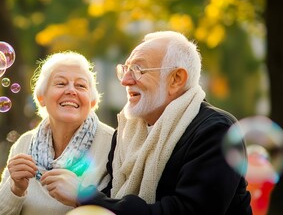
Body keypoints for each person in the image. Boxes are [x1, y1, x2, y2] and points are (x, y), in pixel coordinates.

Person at [54, 31, 253, 214]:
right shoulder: (124, 133)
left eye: (138, 69)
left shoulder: (216, 131)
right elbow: (112, 199)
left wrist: (85, 195)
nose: (125, 81)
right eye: (125, 69)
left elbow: (186, 211)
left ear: (176, 79)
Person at [0, 51, 115, 215]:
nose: (71, 91)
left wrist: (80, 196)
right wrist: (15, 189)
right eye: (60, 84)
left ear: (92, 101)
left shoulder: (112, 144)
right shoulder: (25, 143)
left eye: (81, 85)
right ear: (41, 98)